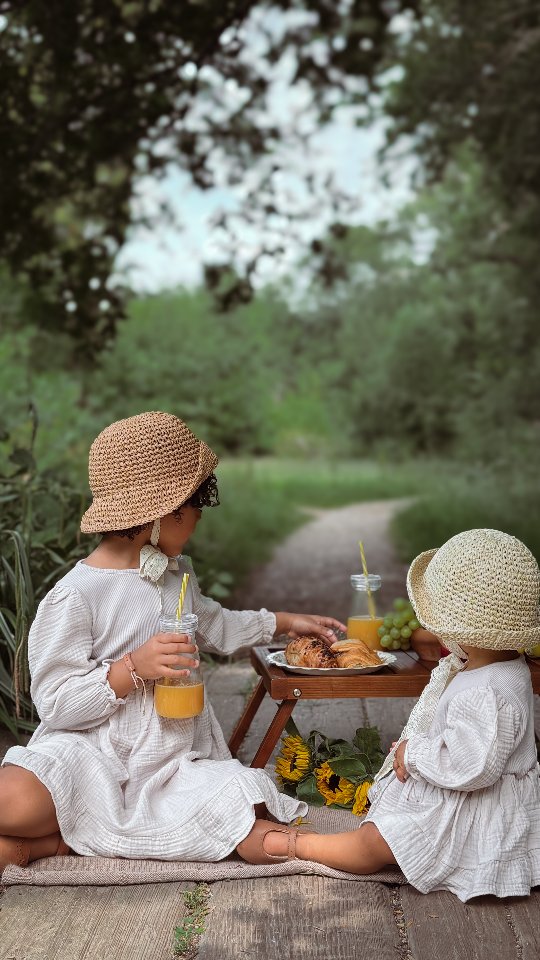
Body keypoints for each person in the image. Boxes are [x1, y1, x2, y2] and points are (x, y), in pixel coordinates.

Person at [0, 411, 346, 870]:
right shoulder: (76, 595)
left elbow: (216, 626)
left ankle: (59, 843)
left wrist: (282, 621)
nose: (201, 516)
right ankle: (67, 830)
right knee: (14, 802)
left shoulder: (175, 576)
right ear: (164, 512)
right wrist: (131, 669)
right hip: (88, 752)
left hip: (169, 758)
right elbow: (57, 705)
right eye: (195, 503)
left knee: (238, 803)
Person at [237, 528, 540, 902]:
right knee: (387, 826)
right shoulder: (496, 666)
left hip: (474, 805)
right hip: (465, 789)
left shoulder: (487, 691)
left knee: (376, 844)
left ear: (459, 625)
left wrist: (413, 754)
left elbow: (473, 765)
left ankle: (296, 845)